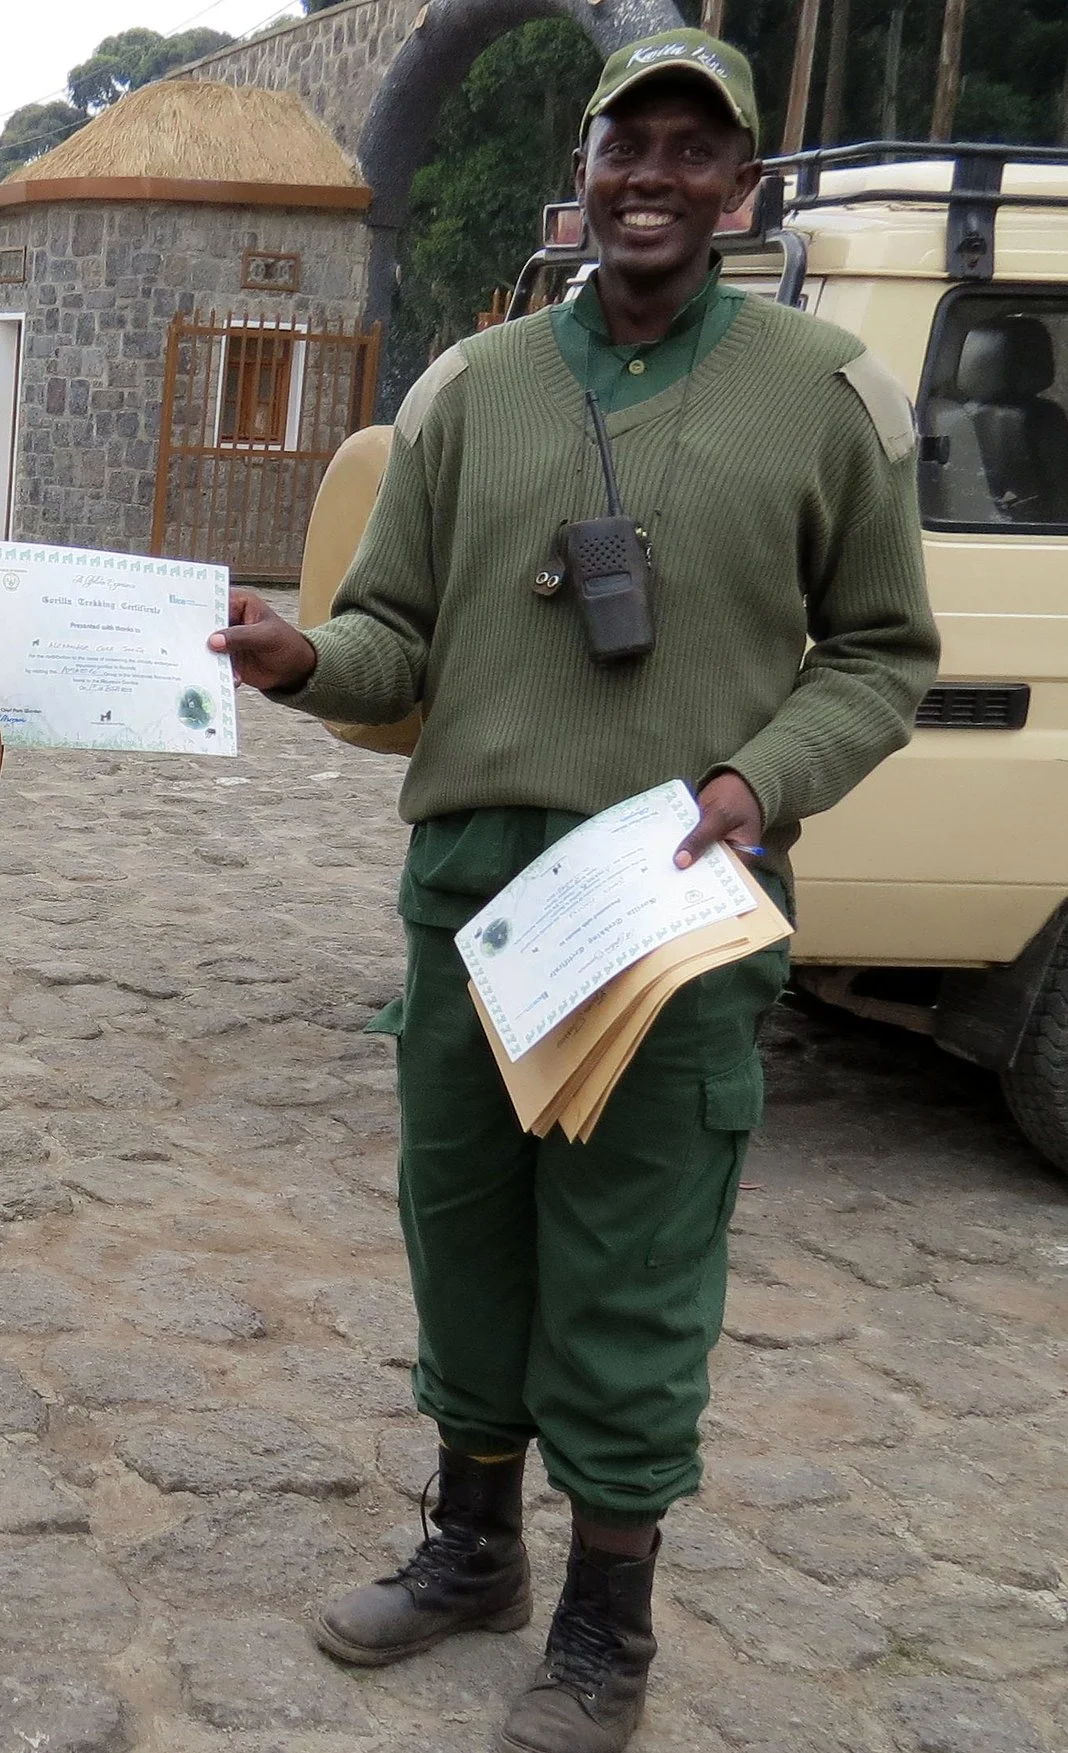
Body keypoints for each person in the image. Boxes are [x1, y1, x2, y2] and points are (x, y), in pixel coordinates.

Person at [214, 32, 936, 1753]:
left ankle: (609, 1621)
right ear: (584, 173)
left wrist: (764, 779)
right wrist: (306, 651)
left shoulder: (822, 393)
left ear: (741, 190)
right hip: (481, 893)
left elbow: (886, 653)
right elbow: (398, 627)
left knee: (632, 1263)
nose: (655, 178)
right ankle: (472, 1550)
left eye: (696, 150)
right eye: (630, 145)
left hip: (677, 907)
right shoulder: (472, 390)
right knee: (464, 1232)